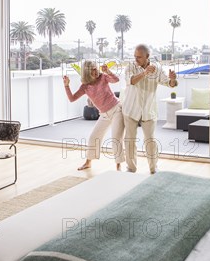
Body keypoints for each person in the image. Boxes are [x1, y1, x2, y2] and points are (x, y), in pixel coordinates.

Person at [122, 44, 177, 174]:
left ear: (147, 56)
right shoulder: (130, 66)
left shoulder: (157, 68)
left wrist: (173, 80)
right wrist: (145, 73)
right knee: (129, 140)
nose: (136, 59)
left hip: (149, 109)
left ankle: (153, 168)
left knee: (150, 140)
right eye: (135, 56)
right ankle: (131, 168)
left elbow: (168, 83)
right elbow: (131, 81)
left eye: (139, 57)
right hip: (131, 109)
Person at [63, 61, 124, 171]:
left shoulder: (103, 77)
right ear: (86, 72)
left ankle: (118, 166)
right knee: (93, 137)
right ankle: (88, 163)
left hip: (116, 110)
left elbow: (116, 80)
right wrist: (66, 85)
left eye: (96, 68)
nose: (95, 71)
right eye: (92, 70)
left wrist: (108, 71)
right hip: (104, 114)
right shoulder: (85, 87)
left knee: (116, 138)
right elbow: (72, 99)